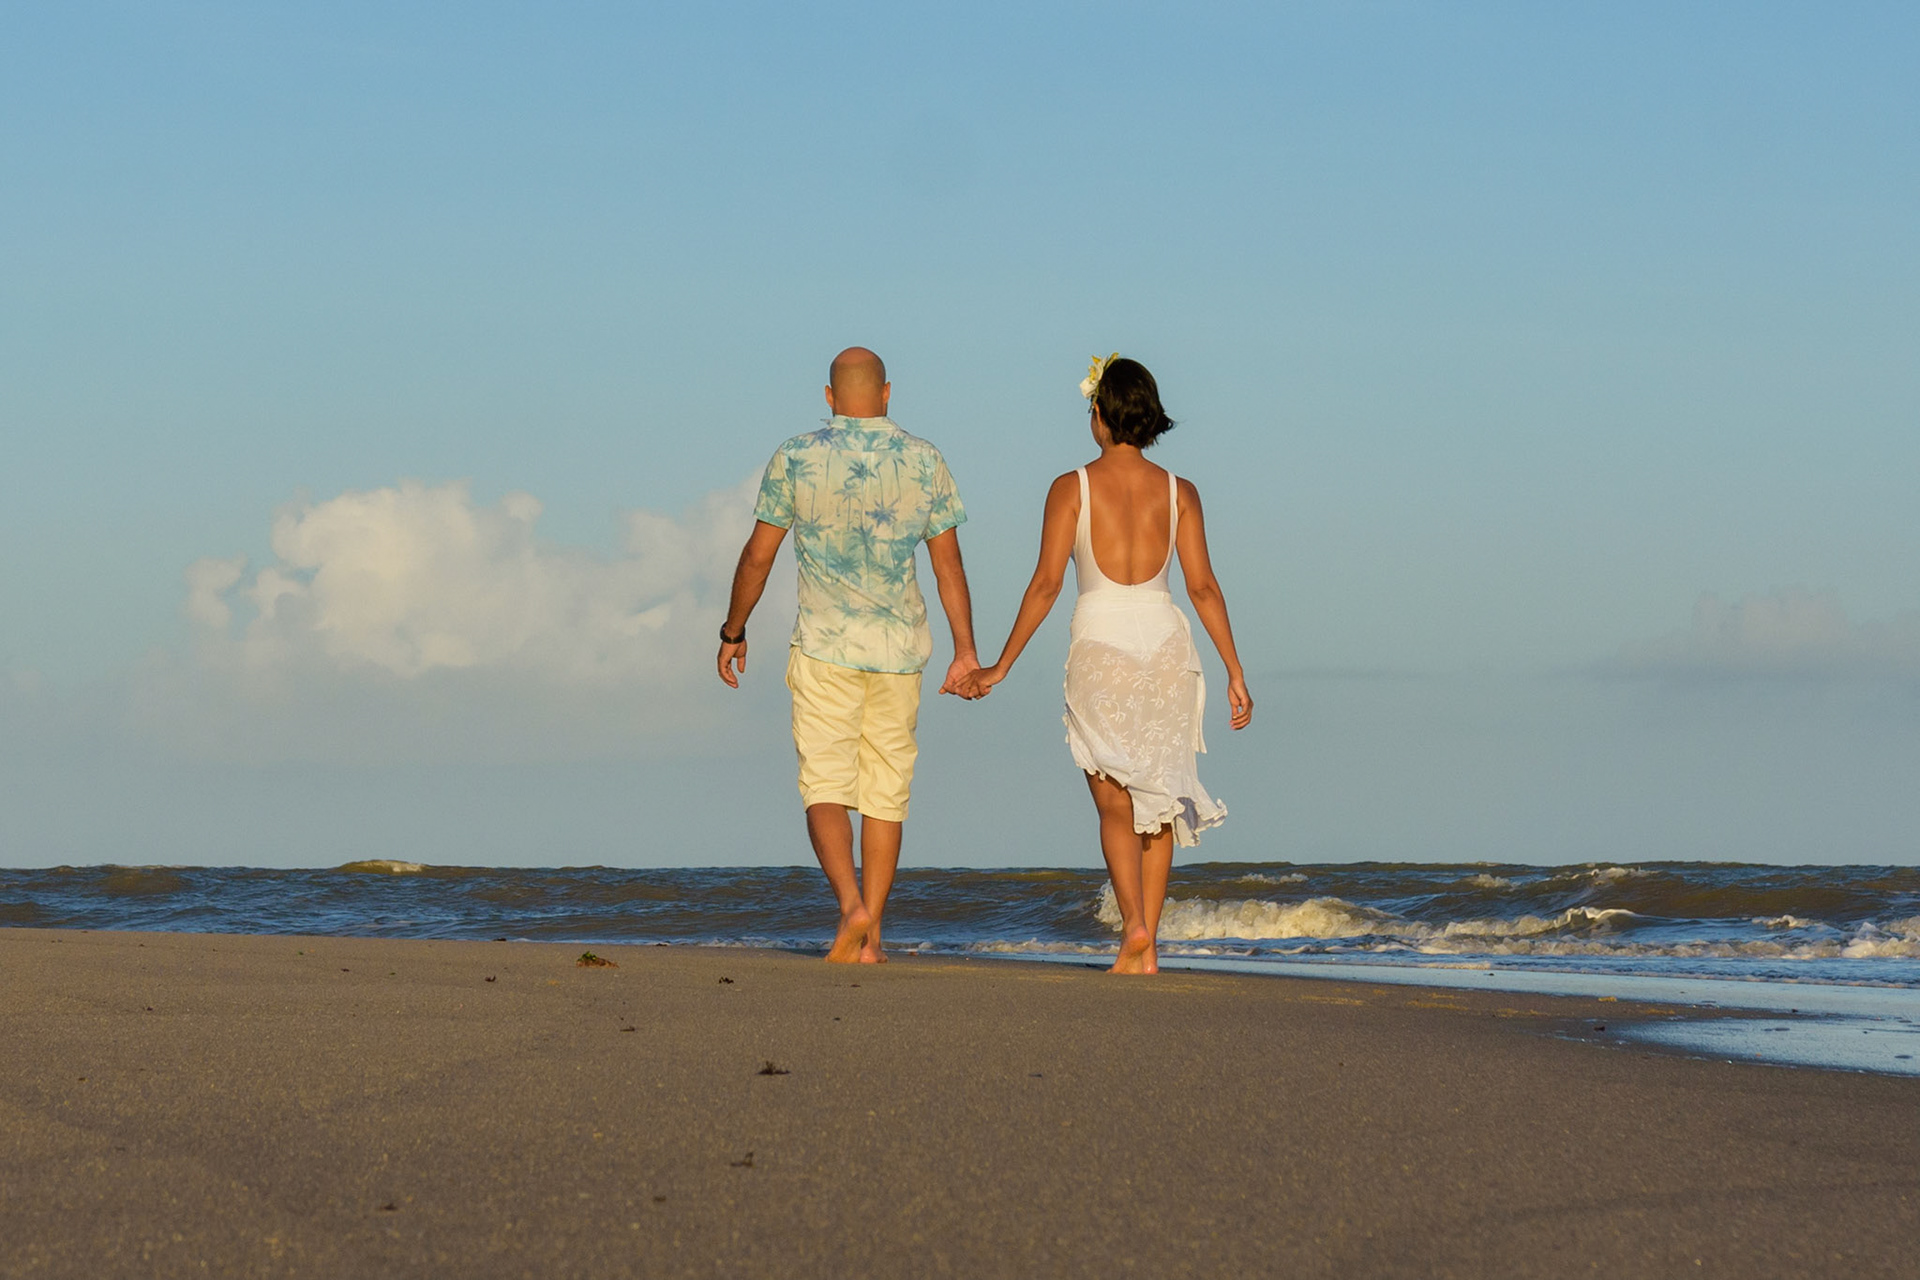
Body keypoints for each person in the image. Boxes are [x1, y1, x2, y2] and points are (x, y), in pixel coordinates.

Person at [959, 355, 1252, 974]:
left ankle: (1134, 929)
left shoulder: (1071, 487)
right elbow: (1203, 588)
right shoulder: (1181, 492)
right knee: (1160, 802)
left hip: (1100, 646)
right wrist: (1234, 670)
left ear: (1099, 413)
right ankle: (1148, 944)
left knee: (1116, 804)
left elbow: (1045, 584)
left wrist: (1000, 666)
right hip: (1168, 649)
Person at [718, 347, 980, 963]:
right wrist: (966, 651)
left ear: (829, 397)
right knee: (886, 792)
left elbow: (759, 555)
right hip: (900, 650)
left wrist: (734, 630)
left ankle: (850, 907)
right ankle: (874, 935)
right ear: (886, 393)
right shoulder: (925, 459)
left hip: (825, 648)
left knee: (825, 784)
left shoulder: (796, 456)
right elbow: (948, 566)